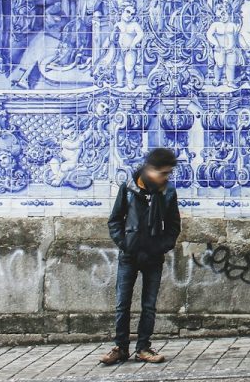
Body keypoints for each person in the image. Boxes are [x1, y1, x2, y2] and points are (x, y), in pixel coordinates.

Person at [101, 147, 181, 366]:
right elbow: (115, 220)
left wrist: (161, 247)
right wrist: (125, 244)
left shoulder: (168, 193)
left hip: (153, 257)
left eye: (168, 173)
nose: (166, 177)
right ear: (150, 170)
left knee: (149, 305)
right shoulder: (128, 188)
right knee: (122, 304)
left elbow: (173, 226)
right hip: (129, 256)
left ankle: (143, 348)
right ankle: (120, 348)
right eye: (163, 173)